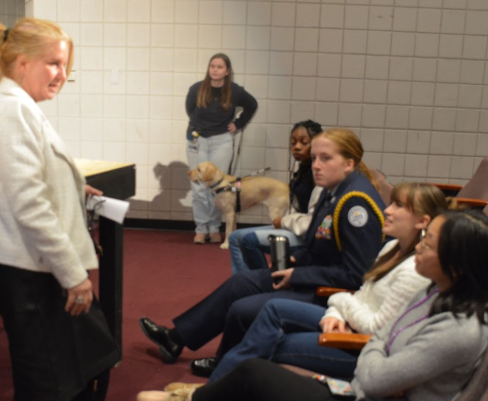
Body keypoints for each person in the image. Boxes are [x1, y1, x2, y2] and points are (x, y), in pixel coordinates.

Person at [137, 208, 488, 401]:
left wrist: (376, 352)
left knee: (256, 371)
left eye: (428, 244)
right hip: (369, 381)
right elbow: (385, 339)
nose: (420, 249)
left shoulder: (459, 327)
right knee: (254, 367)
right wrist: (378, 349)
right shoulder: (438, 291)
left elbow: (377, 375)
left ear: (457, 264)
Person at [139, 128, 386, 377]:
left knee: (242, 308)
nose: (316, 166)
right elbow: (322, 249)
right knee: (239, 283)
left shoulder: (355, 204)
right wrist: (295, 261)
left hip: (329, 294)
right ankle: (175, 338)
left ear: (349, 163)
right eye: (314, 158)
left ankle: (227, 364)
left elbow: (357, 275)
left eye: (326, 158)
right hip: (312, 275)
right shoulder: (332, 191)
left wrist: (298, 275)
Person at [0, 19, 119, 401]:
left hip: (34, 268)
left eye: (65, 65)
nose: (62, 74)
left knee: (75, 367)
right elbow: (29, 205)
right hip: (31, 275)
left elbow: (31, 177)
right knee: (50, 383)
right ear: (22, 63)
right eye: (54, 63)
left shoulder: (19, 105)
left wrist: (71, 184)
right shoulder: (12, 112)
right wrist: (74, 275)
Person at [209, 183, 449, 381]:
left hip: (364, 349)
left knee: (269, 343)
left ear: (422, 221)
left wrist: (340, 303)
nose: (387, 210)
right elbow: (361, 294)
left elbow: (376, 329)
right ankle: (213, 389)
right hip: (348, 323)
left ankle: (210, 392)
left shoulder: (413, 272)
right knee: (273, 309)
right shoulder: (391, 246)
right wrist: (335, 313)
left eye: (399, 206)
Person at [228, 120, 322, 274]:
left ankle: (261, 283)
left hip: (306, 233)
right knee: (234, 238)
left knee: (246, 240)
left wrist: (284, 222)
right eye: (293, 142)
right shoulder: (303, 169)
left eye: (304, 142)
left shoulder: (317, 172)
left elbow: (313, 219)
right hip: (293, 226)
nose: (297, 147)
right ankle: (245, 283)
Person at [186, 53, 258, 244]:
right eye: (212, 66)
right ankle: (201, 228)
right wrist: (201, 126)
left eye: (219, 67)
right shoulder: (196, 89)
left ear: (227, 71)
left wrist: (238, 123)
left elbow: (252, 105)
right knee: (199, 186)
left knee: (218, 186)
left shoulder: (235, 91)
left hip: (222, 141)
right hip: (197, 139)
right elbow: (190, 110)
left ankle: (215, 227)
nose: (215, 70)